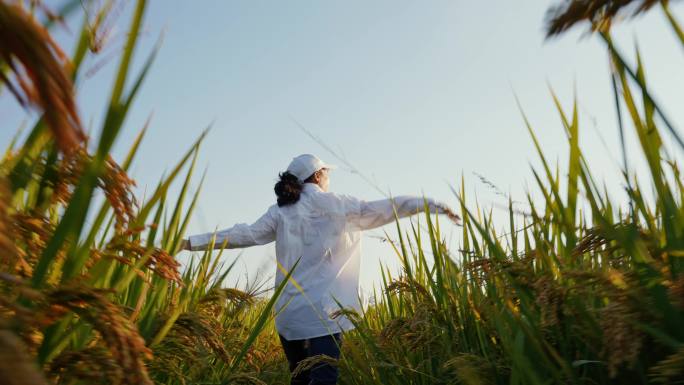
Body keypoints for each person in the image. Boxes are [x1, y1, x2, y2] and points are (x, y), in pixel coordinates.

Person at [181, 154, 459, 385]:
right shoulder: (336, 204)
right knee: (325, 378)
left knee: (299, 380)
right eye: (326, 173)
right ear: (317, 176)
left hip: (289, 316)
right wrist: (428, 204)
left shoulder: (279, 212)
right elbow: (384, 209)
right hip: (323, 314)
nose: (329, 178)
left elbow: (244, 234)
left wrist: (190, 243)